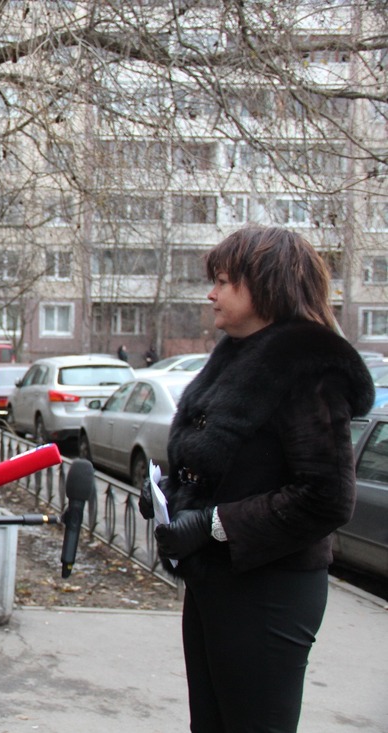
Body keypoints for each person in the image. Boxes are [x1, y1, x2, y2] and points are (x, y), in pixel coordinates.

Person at [141, 226, 373, 732]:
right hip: (215, 584)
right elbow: (215, 464)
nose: (212, 293)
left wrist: (213, 524)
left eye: (224, 281)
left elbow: (328, 497)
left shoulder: (306, 368)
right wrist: (166, 497)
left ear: (266, 285)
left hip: (270, 590)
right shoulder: (234, 356)